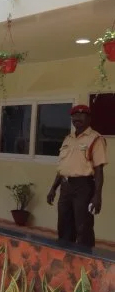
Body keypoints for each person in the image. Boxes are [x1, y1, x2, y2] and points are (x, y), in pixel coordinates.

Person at [47, 105, 108, 247]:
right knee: (64, 224)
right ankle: (65, 257)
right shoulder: (68, 139)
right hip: (65, 187)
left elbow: (99, 170)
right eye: (74, 116)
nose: (77, 119)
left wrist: (97, 195)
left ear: (89, 118)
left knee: (83, 226)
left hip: (84, 187)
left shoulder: (95, 139)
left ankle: (85, 262)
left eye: (82, 115)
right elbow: (63, 167)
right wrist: (53, 188)